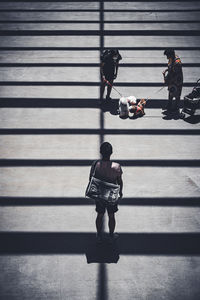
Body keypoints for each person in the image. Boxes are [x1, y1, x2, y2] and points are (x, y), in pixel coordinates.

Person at [89, 142, 123, 243]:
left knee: (100, 215)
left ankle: (99, 235)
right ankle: (111, 235)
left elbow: (90, 179)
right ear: (111, 152)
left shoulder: (96, 165)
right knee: (111, 215)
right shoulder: (117, 166)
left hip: (99, 194)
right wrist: (120, 192)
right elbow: (120, 181)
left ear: (100, 152)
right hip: (111, 195)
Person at [162, 48, 183, 113]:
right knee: (170, 92)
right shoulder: (171, 59)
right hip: (172, 79)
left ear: (171, 55)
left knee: (177, 94)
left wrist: (167, 80)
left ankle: (176, 107)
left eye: (167, 56)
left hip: (177, 80)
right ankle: (169, 105)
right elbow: (170, 68)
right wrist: (166, 70)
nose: (167, 58)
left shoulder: (177, 63)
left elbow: (174, 74)